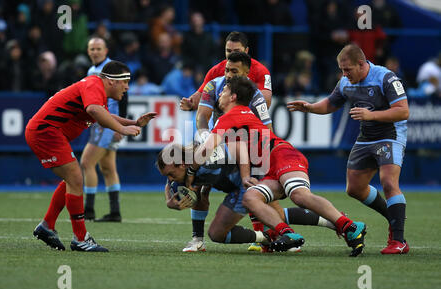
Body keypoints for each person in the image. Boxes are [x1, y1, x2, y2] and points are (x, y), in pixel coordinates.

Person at [187, 76, 367, 256]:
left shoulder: (230, 116)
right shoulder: (241, 115)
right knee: (250, 199)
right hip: (266, 168)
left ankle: (349, 226)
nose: (220, 94)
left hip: (280, 154)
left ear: (233, 97)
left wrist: (190, 171)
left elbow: (206, 150)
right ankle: (287, 234)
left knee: (299, 195)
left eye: (224, 91)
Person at [287, 44, 409, 254]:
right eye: (342, 70)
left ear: (361, 64)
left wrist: (372, 116)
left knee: (388, 182)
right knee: (354, 188)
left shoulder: (386, 78)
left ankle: (399, 241)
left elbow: (403, 111)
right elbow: (331, 104)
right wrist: (309, 107)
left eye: (348, 70)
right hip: (366, 137)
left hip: (390, 135)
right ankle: (393, 216)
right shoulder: (345, 81)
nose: (344, 74)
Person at [26, 60, 157, 252]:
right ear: (112, 81)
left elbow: (101, 115)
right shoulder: (94, 84)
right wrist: (122, 129)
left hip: (47, 131)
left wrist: (133, 122)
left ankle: (47, 226)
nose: (128, 87)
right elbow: (94, 110)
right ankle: (80, 238)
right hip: (47, 131)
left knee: (72, 180)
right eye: (125, 81)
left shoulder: (95, 88)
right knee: (76, 179)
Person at [157, 143, 336, 252]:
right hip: (237, 190)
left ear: (182, 164)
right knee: (217, 232)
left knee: (274, 216)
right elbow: (191, 192)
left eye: (171, 174)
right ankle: (265, 237)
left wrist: (245, 177)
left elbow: (239, 146)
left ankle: (333, 221)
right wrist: (168, 201)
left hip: (254, 179)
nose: (170, 179)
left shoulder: (204, 157)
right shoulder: (184, 172)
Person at [195, 51, 273, 251]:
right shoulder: (213, 84)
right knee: (199, 184)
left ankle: (279, 234)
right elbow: (202, 116)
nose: (228, 74)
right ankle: (197, 238)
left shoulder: (254, 94)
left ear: (247, 73)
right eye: (227, 69)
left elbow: (267, 130)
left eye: (234, 71)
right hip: (217, 144)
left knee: (256, 193)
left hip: (243, 152)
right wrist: (204, 136)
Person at [80, 37, 124, 222]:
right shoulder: (92, 70)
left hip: (106, 123)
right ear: (88, 51)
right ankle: (115, 212)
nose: (95, 51)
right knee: (107, 167)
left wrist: (119, 127)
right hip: (101, 122)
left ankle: (88, 210)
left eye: (99, 48)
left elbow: (124, 96)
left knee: (86, 163)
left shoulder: (111, 70)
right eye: (92, 48)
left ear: (106, 51)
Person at [180, 31, 272, 111]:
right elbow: (201, 96)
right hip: (222, 126)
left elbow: (266, 103)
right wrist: (191, 104)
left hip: (249, 125)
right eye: (228, 51)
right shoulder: (215, 71)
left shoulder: (261, 71)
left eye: (237, 51)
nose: (232, 55)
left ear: (246, 50)